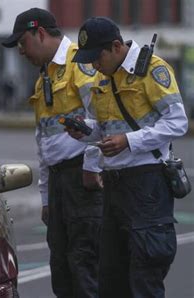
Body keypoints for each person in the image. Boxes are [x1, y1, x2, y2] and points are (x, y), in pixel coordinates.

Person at [70, 17, 188, 297]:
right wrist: (85, 131)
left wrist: (129, 141)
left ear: (115, 47)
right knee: (111, 275)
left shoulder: (153, 70)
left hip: (147, 184)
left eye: (97, 57)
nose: (94, 65)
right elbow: (108, 129)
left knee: (145, 274)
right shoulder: (103, 78)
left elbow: (178, 122)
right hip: (114, 185)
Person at [2, 8, 103, 297]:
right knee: (62, 270)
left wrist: (92, 169)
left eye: (22, 43)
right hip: (60, 184)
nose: (21, 51)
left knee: (85, 267)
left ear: (41, 33)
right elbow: (44, 142)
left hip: (82, 180)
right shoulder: (44, 75)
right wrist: (46, 198)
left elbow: (105, 123)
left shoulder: (79, 64)